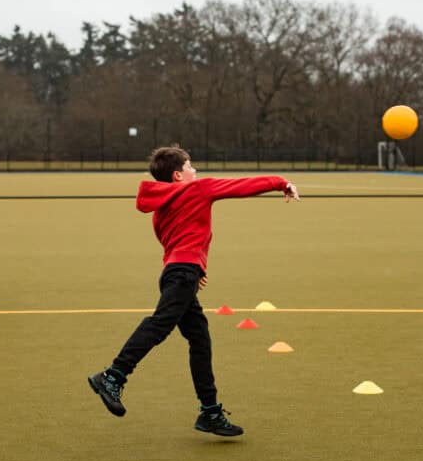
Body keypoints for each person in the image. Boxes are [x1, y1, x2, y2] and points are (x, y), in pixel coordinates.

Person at [87, 145, 299, 436]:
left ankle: (210, 412)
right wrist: (280, 183)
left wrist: (194, 268)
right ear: (177, 175)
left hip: (177, 272)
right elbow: (241, 186)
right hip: (182, 273)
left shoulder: (159, 207)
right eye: (190, 166)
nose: (195, 171)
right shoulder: (198, 190)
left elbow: (175, 242)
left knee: (199, 339)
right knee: (160, 324)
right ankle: (113, 376)